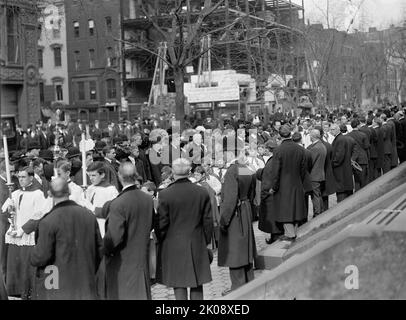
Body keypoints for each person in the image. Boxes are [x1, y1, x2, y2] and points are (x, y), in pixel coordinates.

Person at [30, 178, 103, 300]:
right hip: (85, 279)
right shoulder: (88, 215)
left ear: (49, 194)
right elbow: (99, 249)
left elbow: (41, 257)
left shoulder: (48, 221)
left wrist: (33, 255)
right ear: (69, 191)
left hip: (57, 282)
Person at [156, 158, 213, 300]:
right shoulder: (201, 192)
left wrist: (161, 239)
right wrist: (205, 240)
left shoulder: (165, 194)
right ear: (189, 172)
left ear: (173, 173)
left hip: (173, 242)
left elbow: (162, 223)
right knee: (197, 281)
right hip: (196, 239)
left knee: (179, 283)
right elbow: (207, 220)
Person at [103, 162, 154, 300]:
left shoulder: (119, 203)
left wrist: (105, 250)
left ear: (120, 176)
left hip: (122, 260)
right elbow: (151, 223)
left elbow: (114, 237)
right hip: (141, 255)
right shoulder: (147, 199)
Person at [1, 166, 48, 299]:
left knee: (26, 266)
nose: (20, 180)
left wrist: (22, 230)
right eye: (19, 177)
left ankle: (27, 293)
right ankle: (14, 292)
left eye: (24, 177)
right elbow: (4, 213)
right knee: (15, 265)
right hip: (14, 235)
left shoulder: (38, 194)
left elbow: (39, 215)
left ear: (31, 178)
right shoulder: (14, 193)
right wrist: (9, 213)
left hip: (27, 235)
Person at [218, 148, 257, 295]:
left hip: (235, 212)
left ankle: (237, 287)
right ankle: (249, 281)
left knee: (234, 250)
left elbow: (230, 199)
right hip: (245, 207)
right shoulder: (246, 168)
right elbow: (252, 192)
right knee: (245, 248)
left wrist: (224, 220)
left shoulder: (231, 171)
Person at [267, 125, 307, 241]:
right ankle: (293, 232)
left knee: (286, 210)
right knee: (295, 209)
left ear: (279, 135)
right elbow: (303, 169)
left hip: (283, 185)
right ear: (290, 134)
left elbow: (276, 172)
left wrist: (274, 187)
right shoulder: (300, 149)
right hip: (297, 182)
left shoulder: (278, 150)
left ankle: (290, 234)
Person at [85, 162, 119, 238]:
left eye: (94, 175)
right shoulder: (90, 188)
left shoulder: (111, 190)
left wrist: (93, 209)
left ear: (102, 175)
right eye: (89, 175)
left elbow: (113, 211)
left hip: (103, 229)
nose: (91, 178)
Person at [257, 140, 281, 244]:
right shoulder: (277, 159)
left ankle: (275, 239)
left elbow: (266, 182)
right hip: (276, 194)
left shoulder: (271, 161)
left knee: (271, 220)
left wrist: (263, 195)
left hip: (270, 196)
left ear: (268, 149)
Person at [330, 124, 355, 202]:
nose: (331, 131)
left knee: (342, 196)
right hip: (343, 170)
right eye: (331, 129)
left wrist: (332, 164)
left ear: (338, 129)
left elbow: (339, 156)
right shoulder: (339, 138)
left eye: (333, 129)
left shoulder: (340, 139)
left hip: (341, 171)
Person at [307, 129, 327, 218]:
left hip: (314, 175)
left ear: (313, 136)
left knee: (315, 196)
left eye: (310, 135)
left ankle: (317, 213)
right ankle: (320, 210)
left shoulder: (315, 148)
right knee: (318, 195)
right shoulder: (322, 145)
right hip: (320, 174)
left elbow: (310, 162)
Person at [347, 119, 370, 191]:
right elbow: (366, 146)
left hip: (352, 159)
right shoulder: (363, 135)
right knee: (363, 178)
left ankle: (357, 193)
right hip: (362, 158)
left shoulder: (348, 135)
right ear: (358, 125)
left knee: (356, 179)